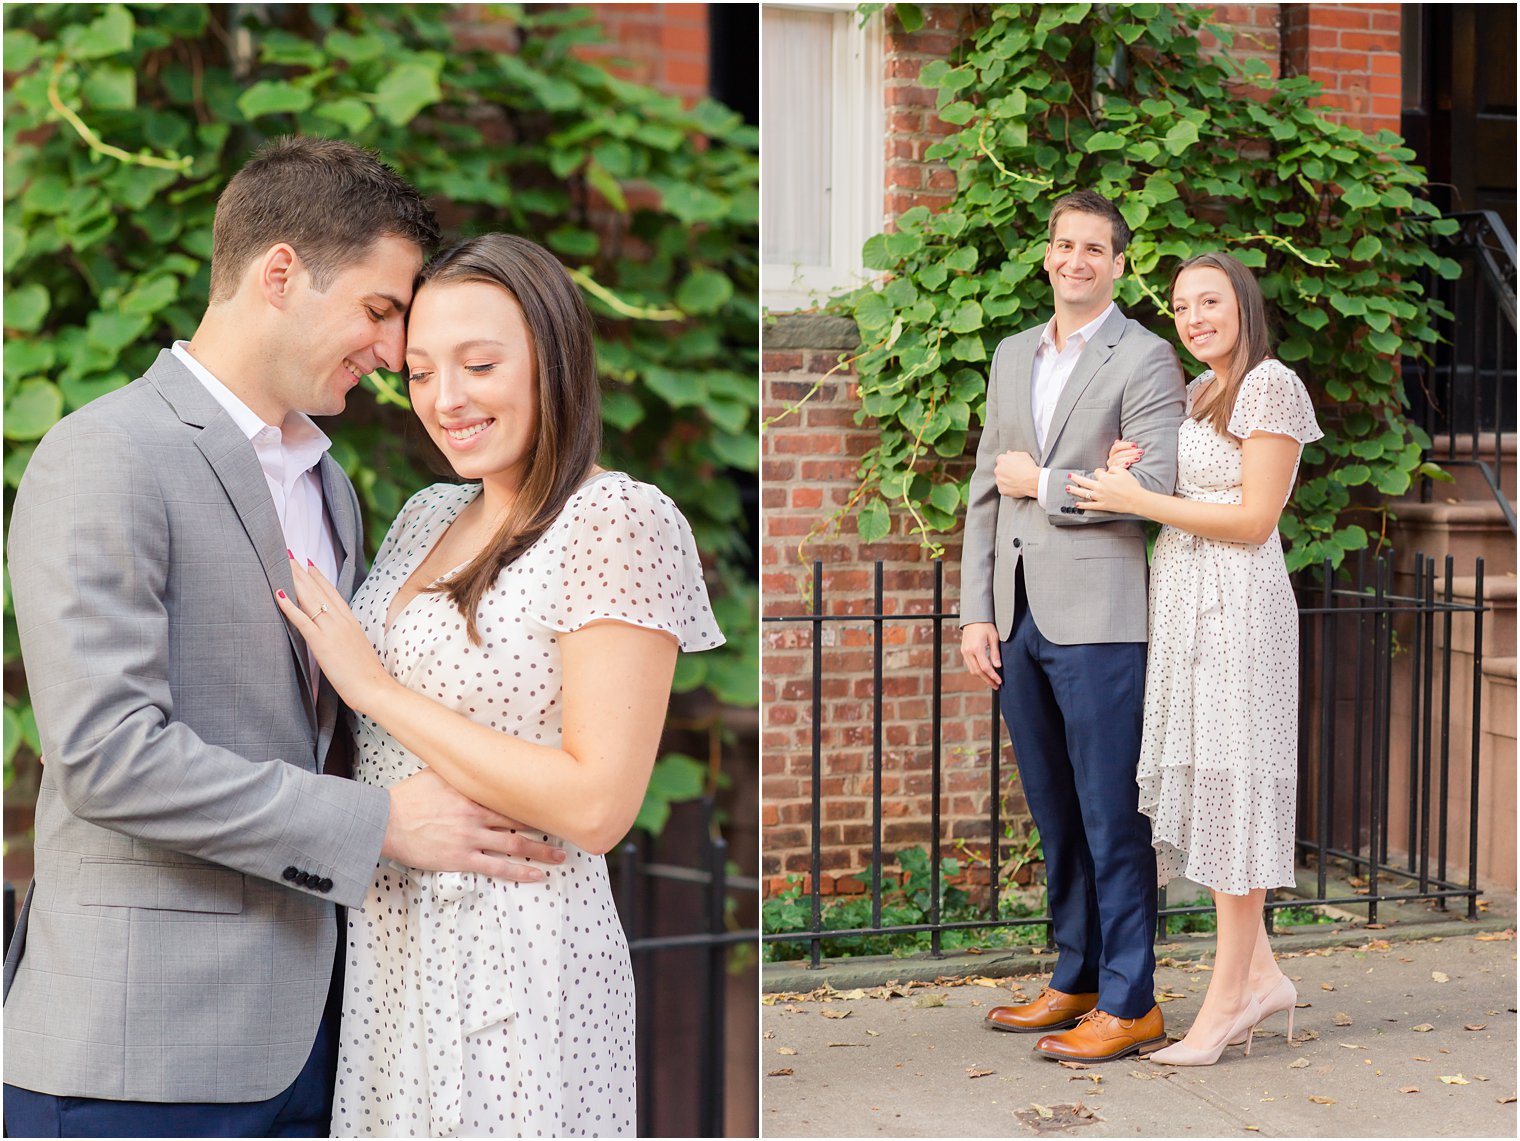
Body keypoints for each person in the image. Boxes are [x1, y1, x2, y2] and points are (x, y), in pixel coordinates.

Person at [3, 138, 563, 1138]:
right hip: (141, 1057)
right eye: (380, 310)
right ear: (278, 275)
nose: (393, 355)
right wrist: (378, 825)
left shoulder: (331, 486)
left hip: (321, 1038)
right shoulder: (106, 453)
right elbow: (106, 755)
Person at [273, 233, 724, 1136]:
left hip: (517, 952)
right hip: (392, 942)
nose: (447, 400)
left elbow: (599, 803)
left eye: (479, 365)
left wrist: (378, 691)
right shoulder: (428, 512)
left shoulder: (617, 518)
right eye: (421, 372)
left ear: (552, 358)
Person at [1066, 251, 1323, 1065]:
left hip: (1239, 606)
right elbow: (1180, 486)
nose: (1194, 316)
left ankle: (1223, 1006)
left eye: (1209, 301)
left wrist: (1142, 501)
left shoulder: (1271, 384)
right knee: (1212, 781)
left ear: (1242, 303)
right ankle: (1264, 975)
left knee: (1232, 787)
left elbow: (1254, 518)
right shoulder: (1197, 391)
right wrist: (1127, 473)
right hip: (1184, 600)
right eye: (1181, 306)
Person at [960, 189, 1187, 1063]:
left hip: (1100, 620)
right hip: (1016, 616)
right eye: (1064, 244)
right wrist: (977, 610)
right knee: (1056, 810)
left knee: (1109, 811)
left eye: (1096, 248)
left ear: (1120, 264)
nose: (1076, 260)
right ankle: (1077, 978)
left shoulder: (1146, 358)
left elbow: (1155, 485)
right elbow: (987, 484)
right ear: (1047, 255)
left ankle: (1134, 999)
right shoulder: (1013, 354)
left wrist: (1046, 481)